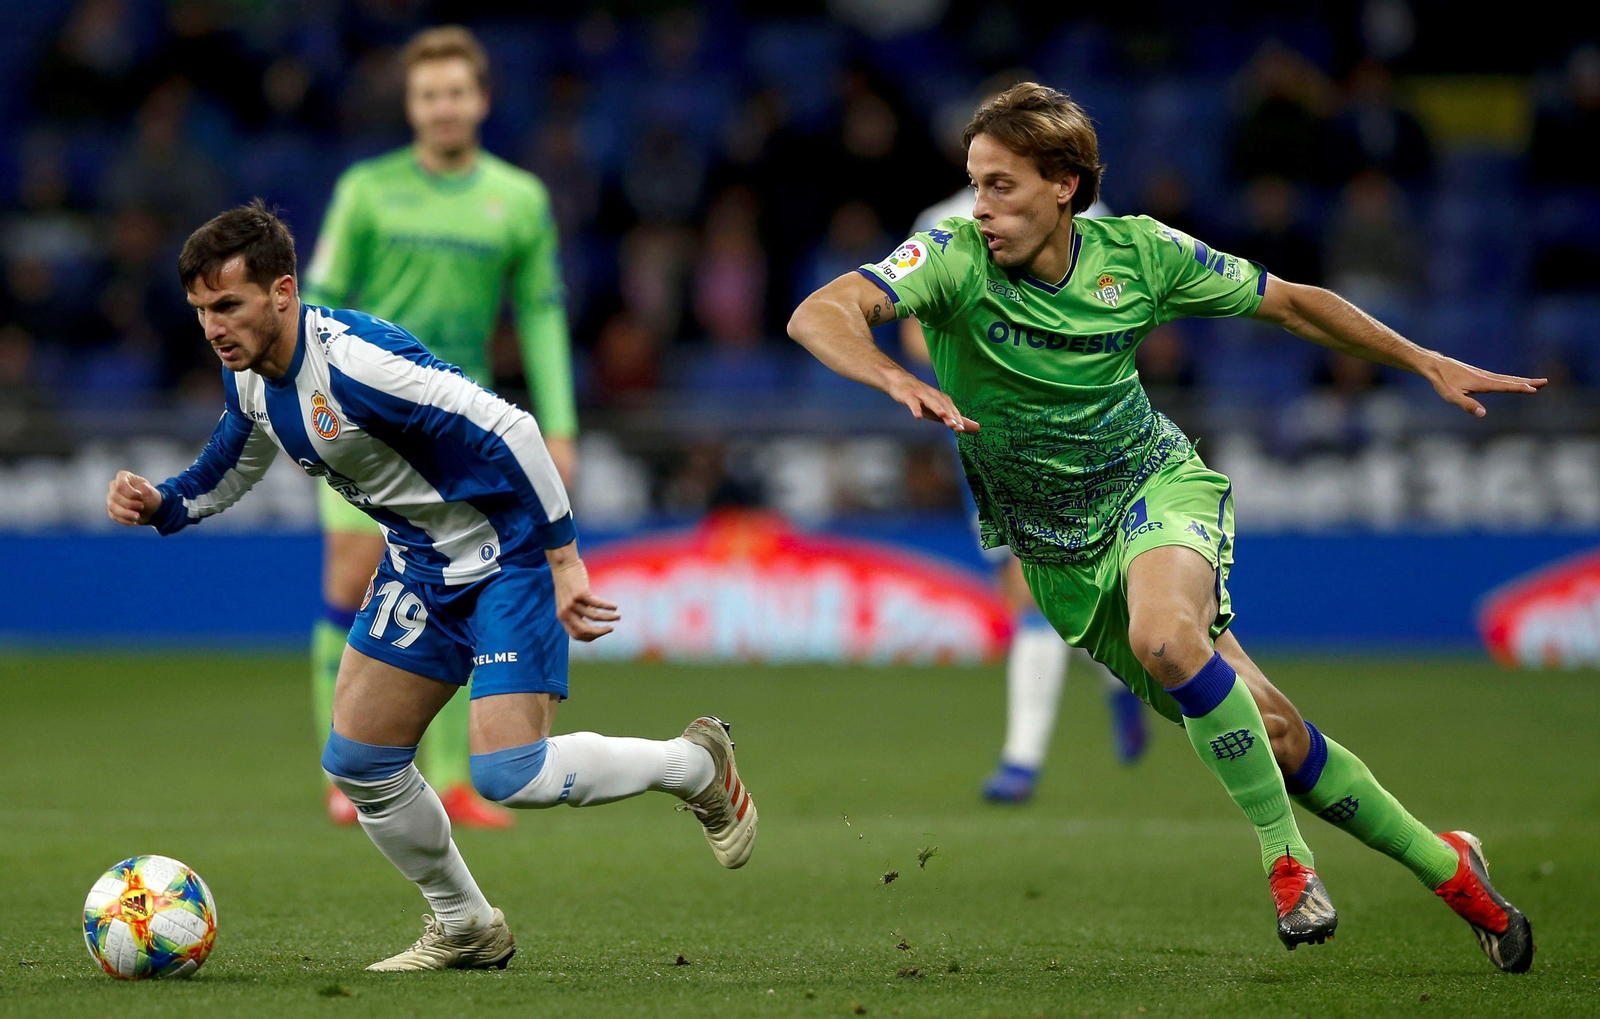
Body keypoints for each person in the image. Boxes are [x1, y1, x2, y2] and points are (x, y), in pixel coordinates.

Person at [788, 82, 1539, 970]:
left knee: (1168, 637)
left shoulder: (1140, 253)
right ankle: (1453, 869)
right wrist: (890, 375)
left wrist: (1420, 358)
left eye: (1001, 186)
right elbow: (820, 311)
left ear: (1064, 184)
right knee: (1274, 729)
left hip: (1155, 488)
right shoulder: (949, 258)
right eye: (975, 184)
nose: (980, 208)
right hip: (1058, 554)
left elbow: (1292, 302)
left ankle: (1286, 861)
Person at [106, 202, 756, 971]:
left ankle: (696, 766)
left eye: (228, 305)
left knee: (510, 773)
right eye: (201, 310)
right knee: (359, 761)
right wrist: (168, 504)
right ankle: (467, 925)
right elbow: (238, 452)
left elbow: (513, 429)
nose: (213, 326)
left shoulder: (355, 365)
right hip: (423, 564)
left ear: (283, 291)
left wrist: (565, 559)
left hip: (508, 552)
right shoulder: (250, 370)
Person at [301, 26, 579, 829]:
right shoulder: (367, 189)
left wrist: (556, 424)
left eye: (458, 91)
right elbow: (315, 299)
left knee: (467, 583)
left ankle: (454, 780)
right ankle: (348, 769)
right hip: (358, 416)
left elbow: (541, 312)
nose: (445, 106)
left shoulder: (518, 198)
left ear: (481, 99)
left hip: (461, 421)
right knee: (352, 580)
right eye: (429, 94)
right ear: (412, 105)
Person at [901, 184, 1149, 802]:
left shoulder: (1088, 214)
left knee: (1035, 582)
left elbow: (1115, 302)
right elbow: (911, 326)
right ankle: (1119, 680)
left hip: (1072, 423)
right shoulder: (943, 220)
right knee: (1041, 583)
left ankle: (1021, 760)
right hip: (988, 426)